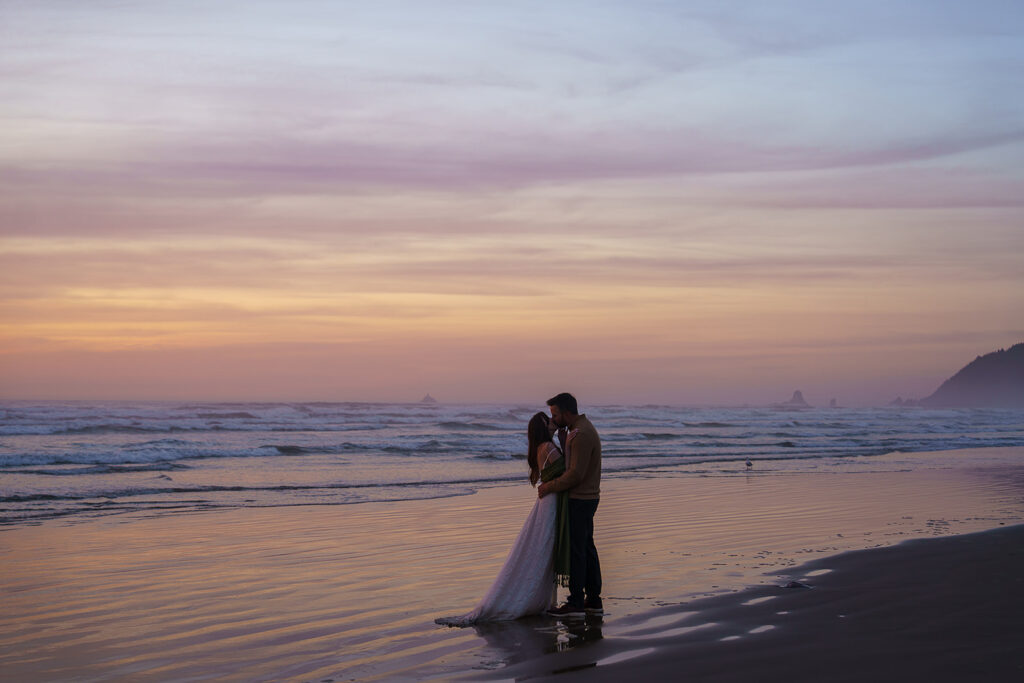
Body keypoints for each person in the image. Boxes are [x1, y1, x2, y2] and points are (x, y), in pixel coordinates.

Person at [435, 412, 569, 626]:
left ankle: (541, 599)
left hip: (549, 500)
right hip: (551, 501)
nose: (553, 422)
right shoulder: (547, 447)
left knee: (541, 549)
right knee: (544, 550)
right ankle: (533, 600)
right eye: (548, 421)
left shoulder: (542, 447)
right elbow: (567, 470)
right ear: (542, 428)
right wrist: (566, 444)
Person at [537, 392, 602, 617]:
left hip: (581, 498)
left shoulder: (581, 433)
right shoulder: (578, 430)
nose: (553, 419)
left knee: (578, 551)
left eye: (555, 414)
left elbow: (575, 475)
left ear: (566, 413)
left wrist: (549, 486)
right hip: (587, 497)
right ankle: (592, 598)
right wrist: (564, 444)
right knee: (586, 547)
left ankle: (576, 601)